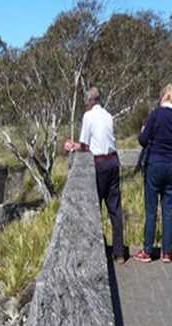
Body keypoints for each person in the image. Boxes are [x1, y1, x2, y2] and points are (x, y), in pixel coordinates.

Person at [64, 87, 125, 263]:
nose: (85, 104)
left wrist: (72, 145)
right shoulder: (108, 115)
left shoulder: (88, 116)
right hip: (114, 162)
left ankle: (94, 252)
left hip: (99, 165)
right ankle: (119, 252)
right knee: (115, 209)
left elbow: (84, 145)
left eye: (86, 101)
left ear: (91, 101)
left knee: (94, 208)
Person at [133, 84, 172, 263]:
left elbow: (143, 140)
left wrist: (143, 131)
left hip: (155, 164)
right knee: (168, 211)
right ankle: (167, 252)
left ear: (164, 96)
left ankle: (147, 251)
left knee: (151, 210)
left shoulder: (156, 115)